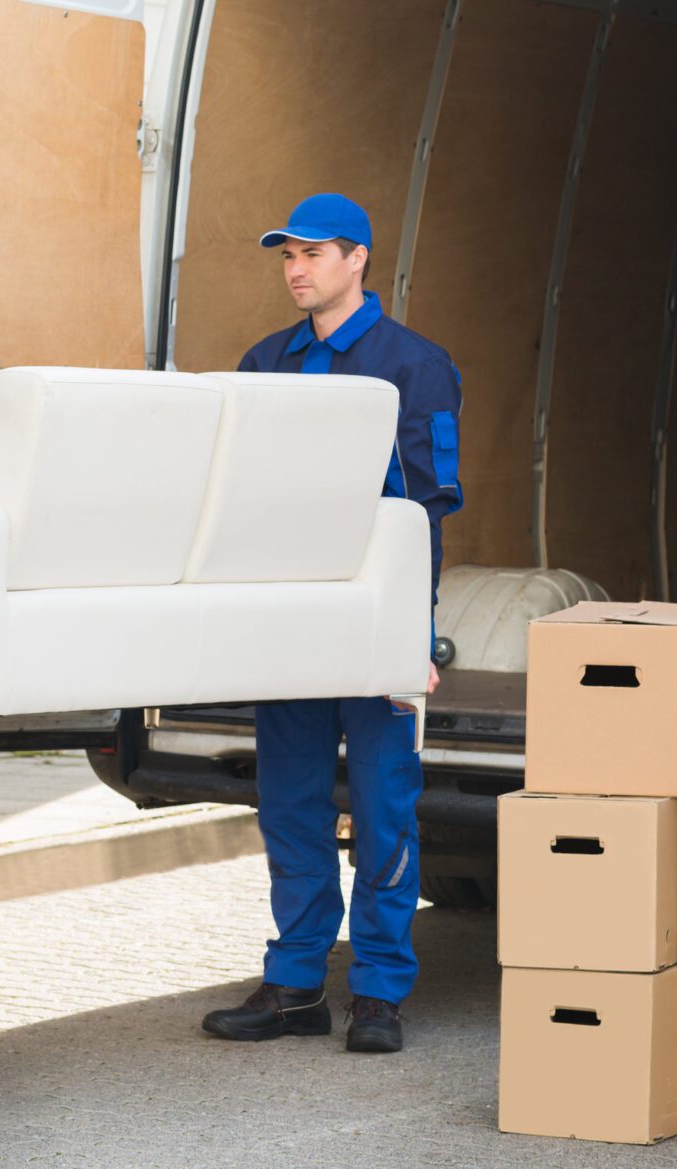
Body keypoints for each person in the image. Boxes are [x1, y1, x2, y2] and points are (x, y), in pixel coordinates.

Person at [202, 193, 462, 1054]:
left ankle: (380, 990)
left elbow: (423, 512)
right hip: (290, 622)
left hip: (373, 621)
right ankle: (295, 983)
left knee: (385, 806)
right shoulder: (264, 362)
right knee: (291, 806)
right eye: (288, 255)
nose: (296, 269)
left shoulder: (415, 365)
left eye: (313, 253)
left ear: (359, 259)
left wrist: (411, 633)